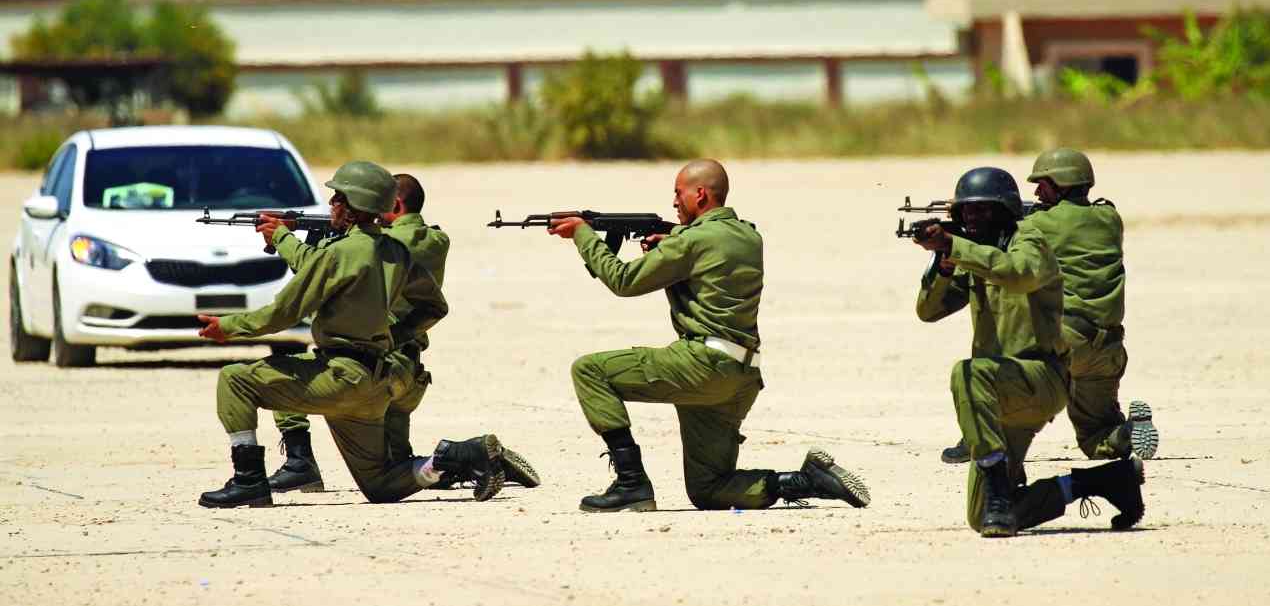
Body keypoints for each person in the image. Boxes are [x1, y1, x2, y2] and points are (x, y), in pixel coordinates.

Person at [547, 158, 870, 513]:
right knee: (709, 490)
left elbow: (623, 281)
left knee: (589, 370)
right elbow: (709, 257)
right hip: (741, 375)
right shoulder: (748, 236)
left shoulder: (690, 242)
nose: (674, 201)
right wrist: (672, 242)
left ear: (699, 194)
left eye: (678, 193)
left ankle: (631, 483)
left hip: (702, 366)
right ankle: (806, 480)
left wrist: (582, 235)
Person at [195, 161, 505, 508]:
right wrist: (392, 335)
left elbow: (284, 313)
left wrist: (227, 327)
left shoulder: (341, 252)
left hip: (340, 377)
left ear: (355, 204)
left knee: (235, 380)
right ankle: (455, 457)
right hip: (375, 383)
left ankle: (249, 480)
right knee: (382, 485)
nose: (331, 204)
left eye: (338, 198)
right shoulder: (396, 251)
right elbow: (435, 307)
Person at [264, 172, 540, 494]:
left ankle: (299, 463)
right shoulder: (435, 239)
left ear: (394, 204)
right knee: (401, 470)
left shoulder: (386, 245)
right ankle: (476, 458)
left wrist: (283, 237)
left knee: (284, 373)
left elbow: (322, 266)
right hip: (408, 373)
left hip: (375, 369)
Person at [914, 167, 1146, 537]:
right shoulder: (972, 254)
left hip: (1040, 378)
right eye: (966, 211)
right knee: (982, 517)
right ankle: (1105, 481)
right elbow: (928, 312)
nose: (973, 219)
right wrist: (943, 267)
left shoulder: (1030, 240)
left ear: (1005, 210)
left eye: (983, 210)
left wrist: (956, 247)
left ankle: (998, 490)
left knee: (967, 373)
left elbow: (1018, 273)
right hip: (1001, 390)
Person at [1024, 148, 1157, 460]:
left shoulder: (1040, 224)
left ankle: (982, 440)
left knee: (996, 373)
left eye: (1043, 184)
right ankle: (1126, 432)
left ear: (1062, 183)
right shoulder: (1110, 218)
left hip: (1065, 343)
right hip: (1107, 348)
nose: (1037, 192)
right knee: (1098, 437)